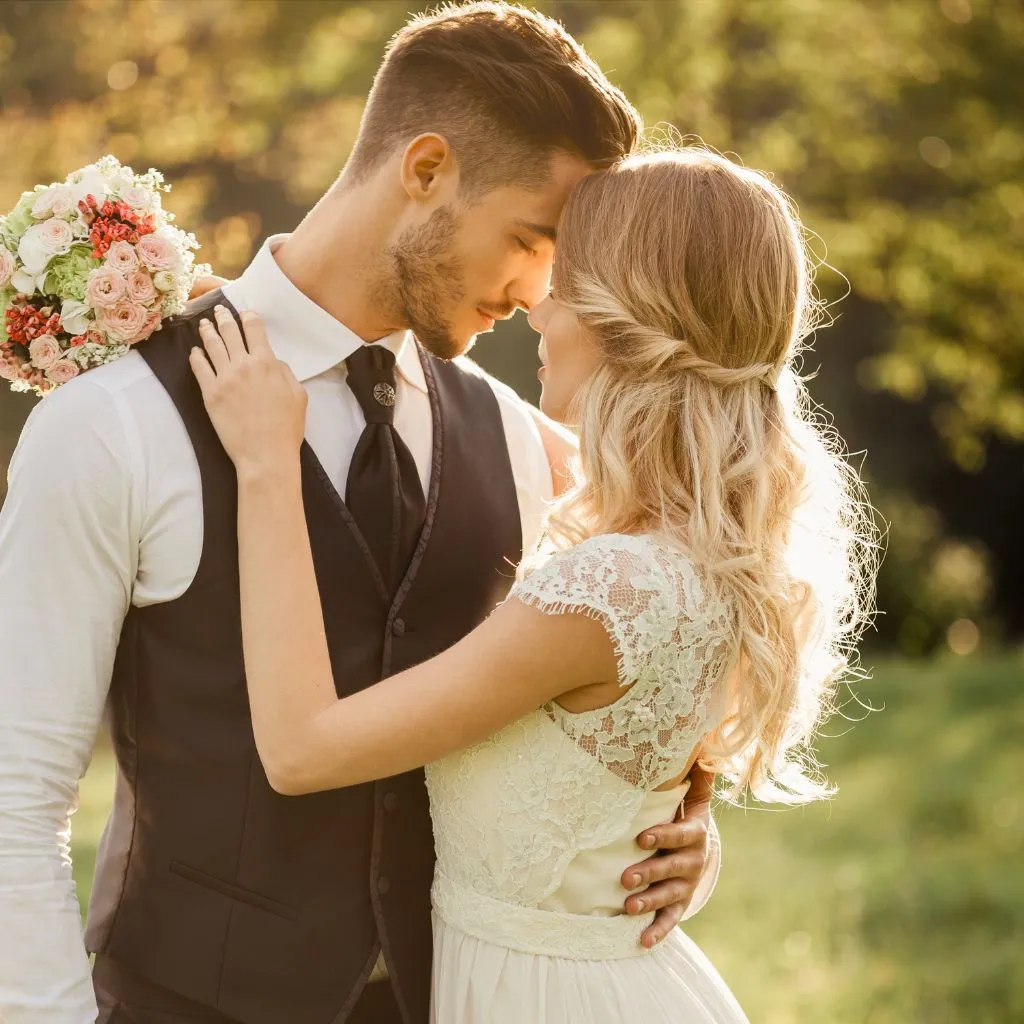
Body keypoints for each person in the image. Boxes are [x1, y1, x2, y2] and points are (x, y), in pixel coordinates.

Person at [0, 5, 720, 1024]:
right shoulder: (113, 424)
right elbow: (13, 799)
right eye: (529, 238)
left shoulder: (518, 442)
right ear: (424, 170)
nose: (538, 291)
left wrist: (665, 839)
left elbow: (595, 696)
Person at [189, 146, 877, 1023]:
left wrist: (265, 464)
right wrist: (260, 308)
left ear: (627, 320)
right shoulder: (697, 543)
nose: (534, 305)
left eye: (565, 280)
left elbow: (302, 750)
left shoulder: (608, 587)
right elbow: (425, 383)